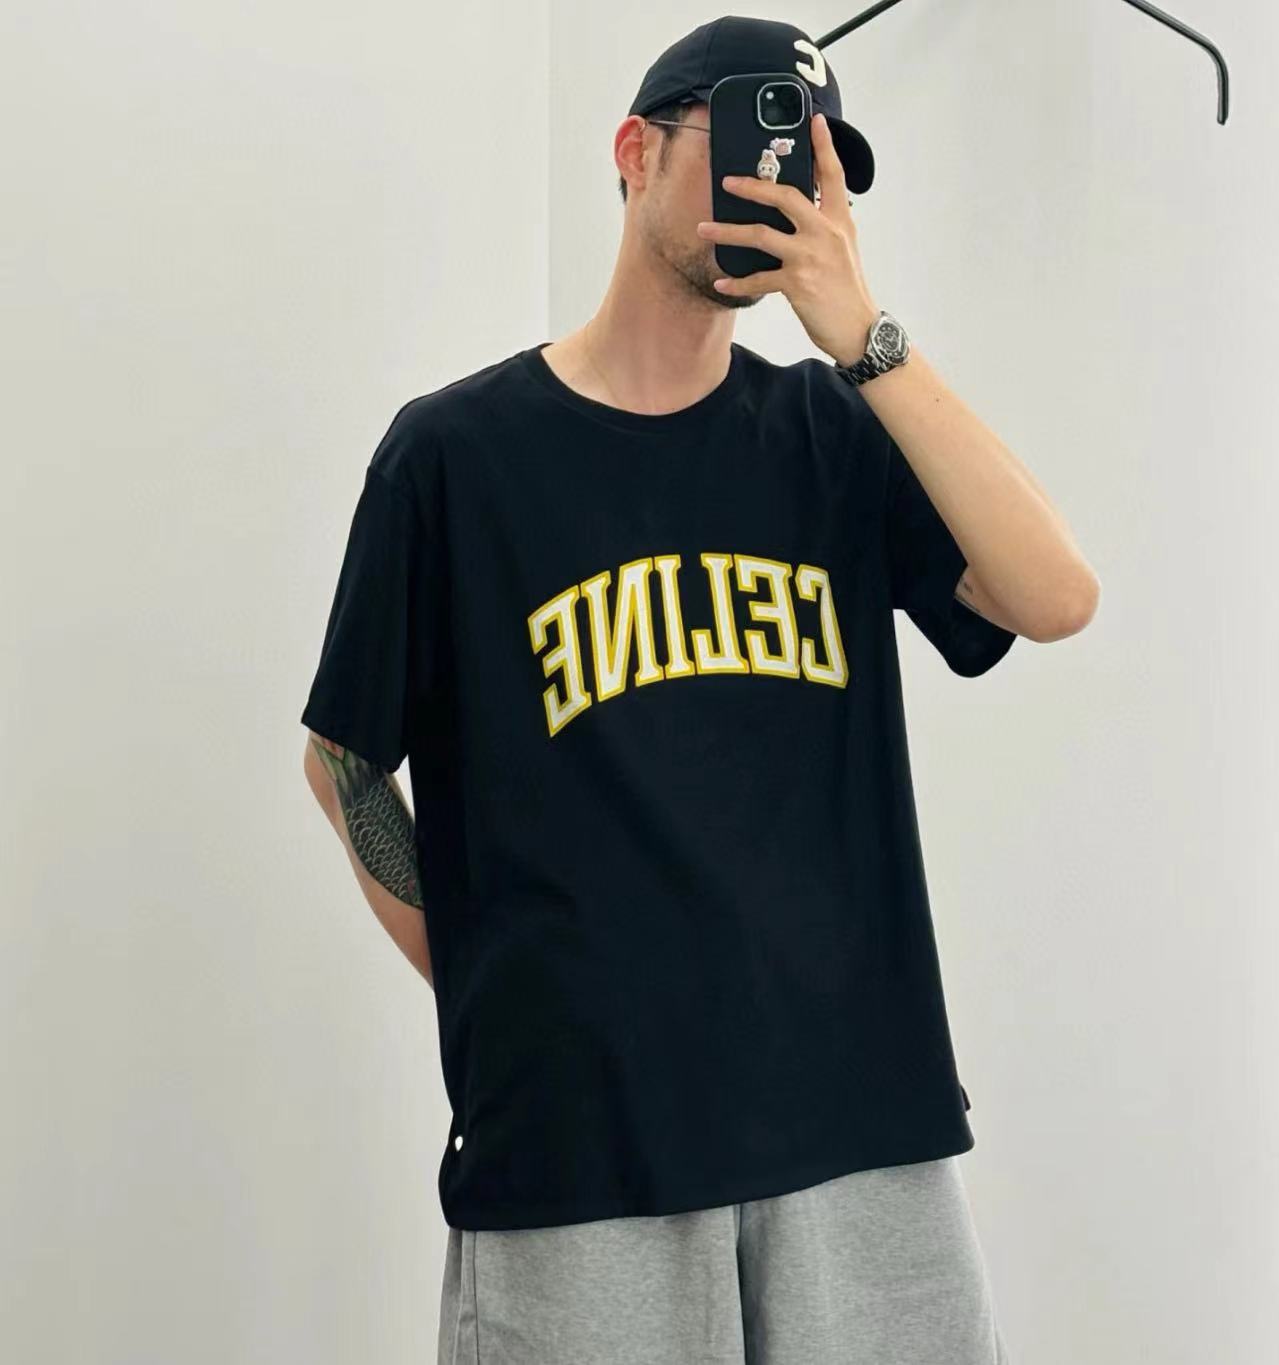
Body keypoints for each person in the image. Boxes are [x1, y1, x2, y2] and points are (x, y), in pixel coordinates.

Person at [299, 15, 1099, 1364]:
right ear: (634, 152)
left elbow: (1054, 595)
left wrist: (866, 338)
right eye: (746, 137)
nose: (778, 182)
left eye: (814, 165)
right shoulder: (456, 458)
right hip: (580, 1149)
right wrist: (492, 973)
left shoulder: (835, 433)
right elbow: (345, 757)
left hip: (859, 1130)